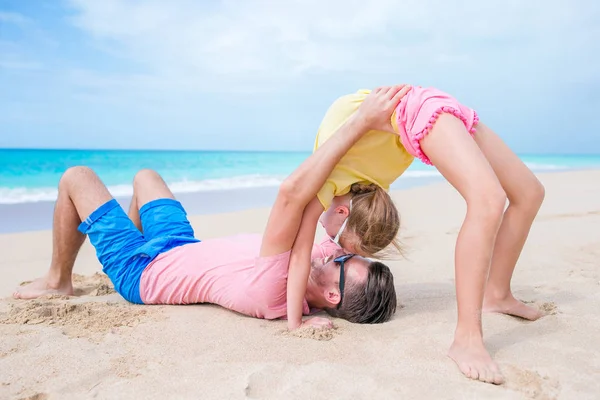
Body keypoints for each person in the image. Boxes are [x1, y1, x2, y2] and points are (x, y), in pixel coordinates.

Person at [13, 86, 409, 328]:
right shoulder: (319, 263)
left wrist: (359, 122)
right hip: (180, 246)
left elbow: (290, 193)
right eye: (345, 255)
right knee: (145, 177)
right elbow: (356, 227)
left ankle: (57, 279)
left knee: (75, 177)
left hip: (143, 273)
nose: (337, 255)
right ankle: (126, 240)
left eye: (342, 263)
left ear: (333, 296)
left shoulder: (275, 288)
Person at [286, 86, 546, 385]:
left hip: (423, 109)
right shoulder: (370, 184)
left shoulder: (323, 183)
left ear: (344, 215)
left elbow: (299, 254)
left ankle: (468, 335)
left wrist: (295, 323)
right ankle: (496, 295)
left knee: (490, 200)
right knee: (529, 193)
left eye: (338, 242)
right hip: (435, 106)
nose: (331, 243)